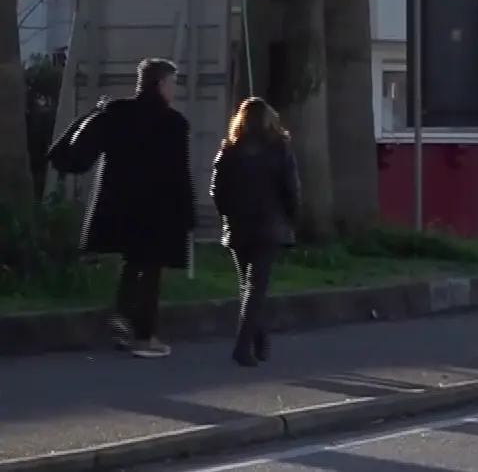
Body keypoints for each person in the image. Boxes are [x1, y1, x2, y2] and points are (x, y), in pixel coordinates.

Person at [63, 58, 197, 358]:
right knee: (150, 270)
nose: (174, 89)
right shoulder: (174, 123)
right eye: (172, 83)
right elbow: (178, 172)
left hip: (119, 204)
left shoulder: (117, 112)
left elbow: (85, 151)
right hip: (157, 208)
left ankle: (122, 316)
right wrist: (187, 212)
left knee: (132, 262)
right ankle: (145, 336)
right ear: (161, 84)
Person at [209, 98, 300, 367]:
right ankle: (244, 345)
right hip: (268, 225)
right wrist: (290, 217)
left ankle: (259, 341)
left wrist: (226, 213)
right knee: (256, 286)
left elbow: (217, 189)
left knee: (248, 285)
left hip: (238, 226)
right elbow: (290, 189)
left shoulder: (229, 149)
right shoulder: (279, 149)